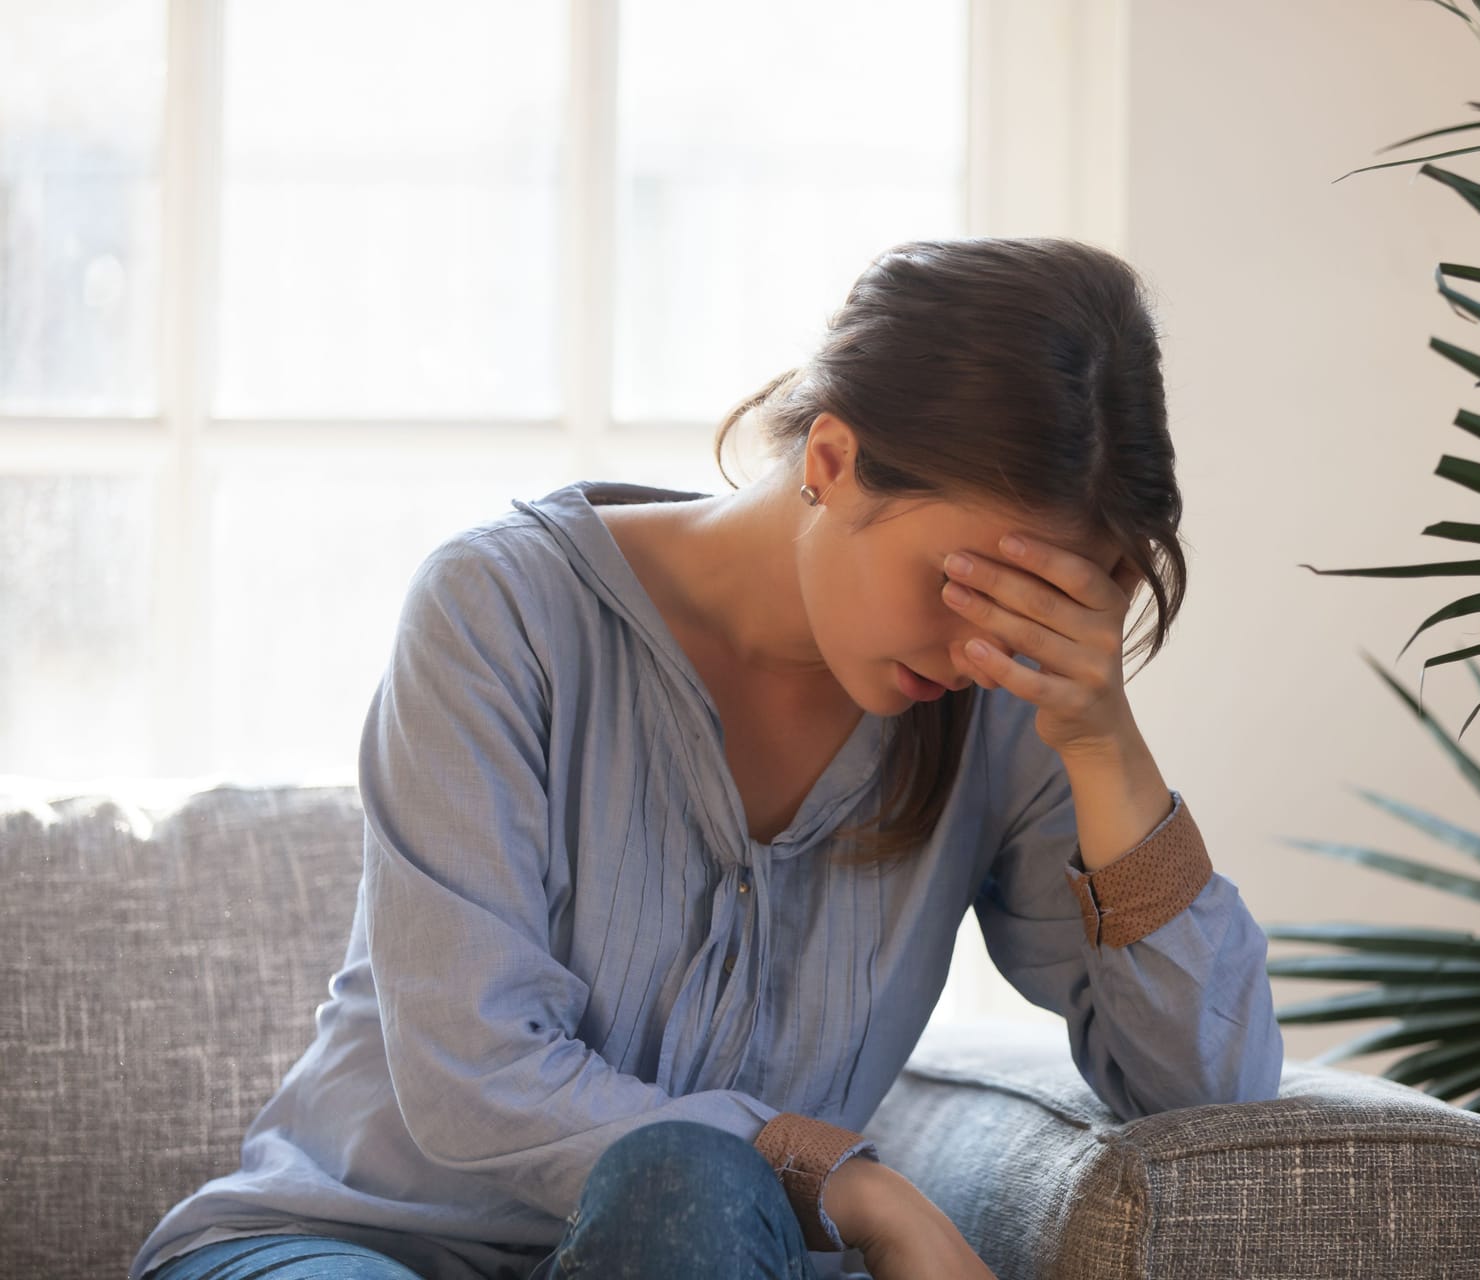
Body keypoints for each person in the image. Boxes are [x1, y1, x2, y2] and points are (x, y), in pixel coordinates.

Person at [128, 236, 1286, 1280]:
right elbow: (472, 1072)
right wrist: (844, 1180)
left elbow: (1205, 1099)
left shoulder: (1001, 702)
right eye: (961, 579)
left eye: (1037, 606)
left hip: (695, 1255)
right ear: (831, 458)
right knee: (696, 1176)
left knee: (692, 1196)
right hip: (353, 1243)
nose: (979, 639)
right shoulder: (500, 610)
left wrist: (1101, 736)